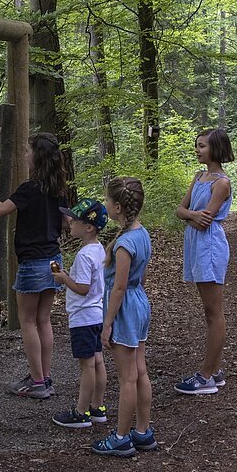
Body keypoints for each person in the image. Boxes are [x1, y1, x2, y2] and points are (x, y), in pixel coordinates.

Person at [0, 132, 68, 399]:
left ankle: (37, 381)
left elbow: (0, 209)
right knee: (44, 319)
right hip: (53, 261)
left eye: (27, 150)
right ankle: (44, 377)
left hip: (32, 263)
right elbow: (64, 223)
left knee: (28, 320)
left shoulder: (29, 189)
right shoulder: (58, 190)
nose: (25, 155)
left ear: (37, 156)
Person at [92, 176, 156, 457]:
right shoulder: (142, 234)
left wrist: (107, 325)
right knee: (140, 370)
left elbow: (118, 288)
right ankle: (142, 432)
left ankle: (120, 437)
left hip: (125, 309)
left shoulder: (124, 245)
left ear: (118, 207)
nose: (105, 205)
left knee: (127, 377)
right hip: (139, 303)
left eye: (107, 201)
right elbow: (140, 278)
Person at [174, 128, 233, 396]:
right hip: (197, 245)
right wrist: (190, 215)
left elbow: (204, 220)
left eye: (202, 146)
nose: (198, 150)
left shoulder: (221, 183)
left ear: (216, 149)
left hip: (210, 246)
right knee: (208, 311)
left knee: (213, 311)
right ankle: (214, 370)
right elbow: (180, 210)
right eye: (197, 146)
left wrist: (191, 215)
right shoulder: (199, 177)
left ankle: (207, 376)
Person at [50, 198, 109, 429]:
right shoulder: (98, 249)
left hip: (83, 317)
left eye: (74, 220)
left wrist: (64, 279)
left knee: (87, 366)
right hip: (96, 314)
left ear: (89, 227)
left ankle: (81, 412)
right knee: (97, 361)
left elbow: (83, 289)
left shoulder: (85, 255)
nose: (69, 222)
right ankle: (97, 406)